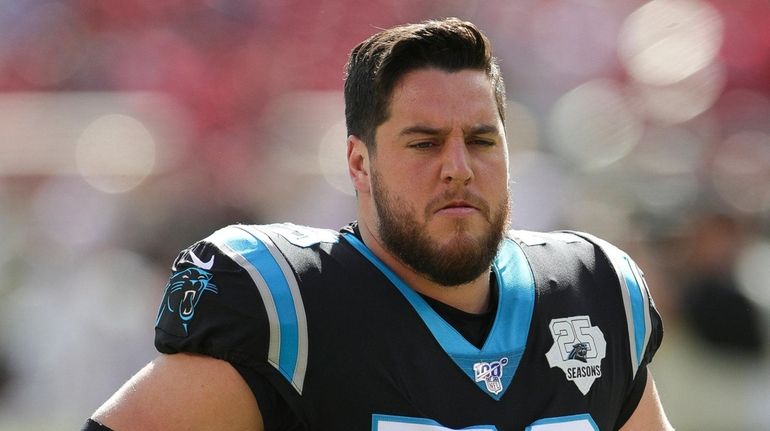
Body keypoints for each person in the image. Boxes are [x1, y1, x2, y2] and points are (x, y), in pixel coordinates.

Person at [83, 18, 673, 431]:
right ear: (359, 163)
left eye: (481, 140)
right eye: (425, 143)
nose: (459, 169)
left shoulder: (595, 293)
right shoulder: (291, 309)